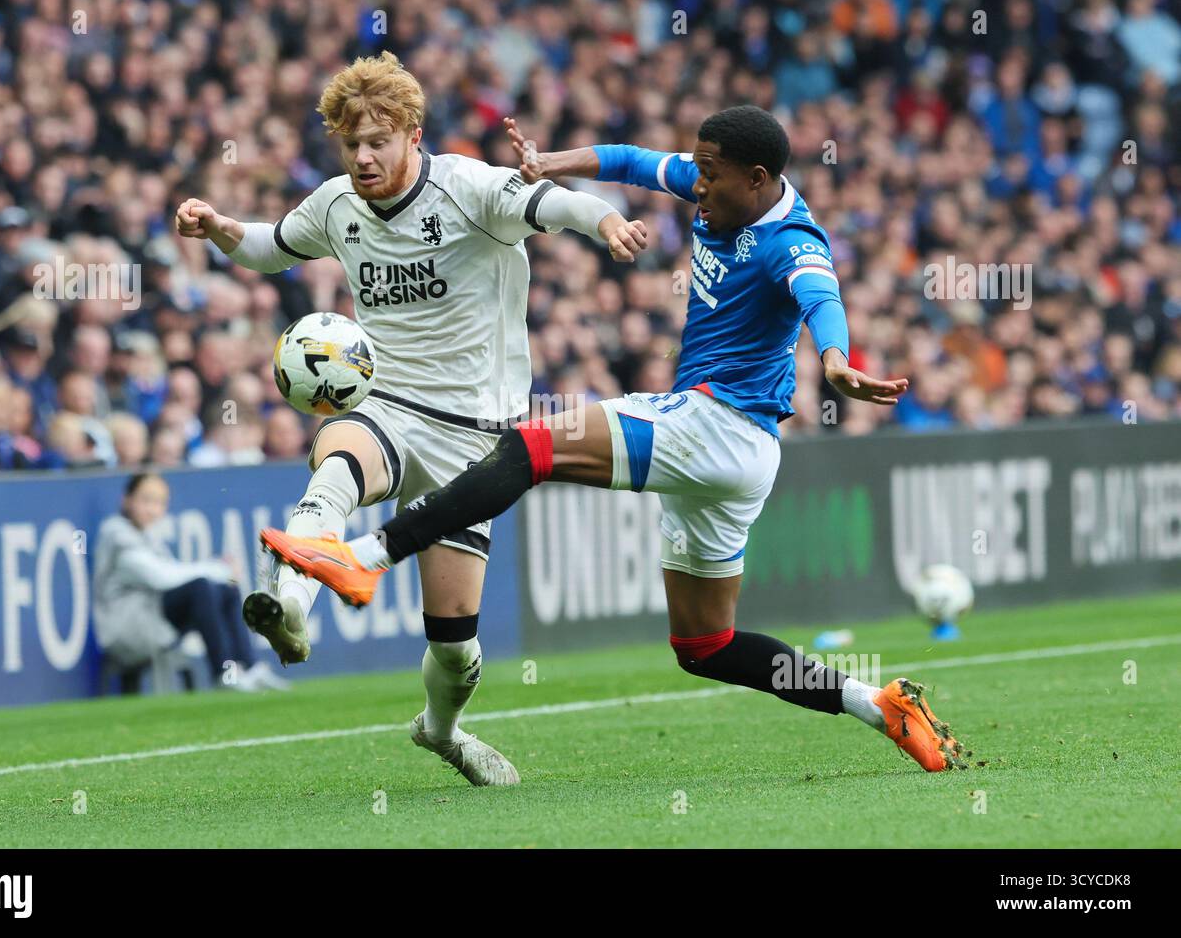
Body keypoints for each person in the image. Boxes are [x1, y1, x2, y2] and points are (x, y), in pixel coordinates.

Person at [263, 106, 971, 773]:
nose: (698, 185)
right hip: (743, 456)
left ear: (757, 180)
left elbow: (823, 299)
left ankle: (362, 557)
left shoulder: (792, 242)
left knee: (529, 447)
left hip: (712, 424)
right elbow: (633, 161)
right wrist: (551, 163)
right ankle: (879, 706)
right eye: (696, 167)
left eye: (711, 174)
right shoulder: (721, 184)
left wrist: (836, 360)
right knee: (706, 645)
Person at [175, 52, 648, 785]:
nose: (362, 158)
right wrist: (220, 228)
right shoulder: (336, 204)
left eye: (377, 142)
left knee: (456, 649)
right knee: (336, 460)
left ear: (413, 135)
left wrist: (607, 219)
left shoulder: (468, 189)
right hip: (385, 405)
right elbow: (274, 248)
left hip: (476, 435)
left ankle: (443, 730)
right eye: (350, 145)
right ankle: (291, 600)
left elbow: (553, 204)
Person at [93, 472, 287, 693]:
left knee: (226, 591)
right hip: (128, 632)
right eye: (145, 500)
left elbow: (171, 573)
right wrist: (219, 568)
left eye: (159, 503)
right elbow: (161, 577)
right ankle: (223, 673)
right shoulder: (116, 534)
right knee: (201, 588)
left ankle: (249, 667)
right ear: (126, 500)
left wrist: (219, 573)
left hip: (152, 619)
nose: (152, 509)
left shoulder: (147, 536)